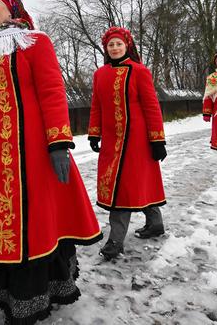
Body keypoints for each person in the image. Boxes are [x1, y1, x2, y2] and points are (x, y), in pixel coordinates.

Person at [0, 0, 102, 325]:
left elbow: (51, 91)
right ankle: (8, 285)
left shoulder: (34, 42)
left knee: (36, 221)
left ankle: (34, 292)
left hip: (34, 152)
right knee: (4, 222)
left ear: (11, 7)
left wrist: (59, 141)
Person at [87, 27, 167, 261]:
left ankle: (115, 241)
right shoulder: (100, 74)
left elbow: (152, 106)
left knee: (126, 187)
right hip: (113, 141)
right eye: (110, 45)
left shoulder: (139, 71)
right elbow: (96, 106)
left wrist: (157, 139)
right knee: (132, 185)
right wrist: (94, 133)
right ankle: (155, 224)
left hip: (137, 141)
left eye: (118, 44)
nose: (114, 48)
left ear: (127, 46)